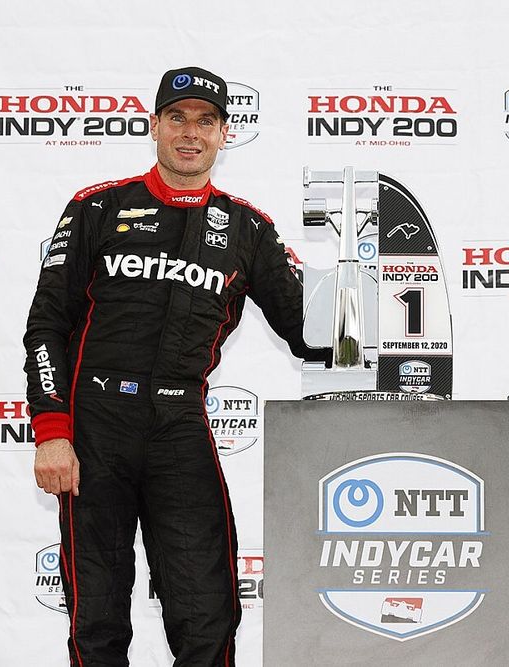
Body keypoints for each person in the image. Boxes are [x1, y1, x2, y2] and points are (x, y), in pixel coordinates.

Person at [24, 66, 325, 666]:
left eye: (206, 121)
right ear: (155, 126)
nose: (191, 133)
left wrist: (369, 300)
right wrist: (52, 430)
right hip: (95, 426)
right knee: (97, 613)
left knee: (206, 609)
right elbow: (46, 327)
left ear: (224, 134)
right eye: (178, 119)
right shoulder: (97, 207)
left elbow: (308, 334)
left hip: (179, 423)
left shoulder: (247, 228)